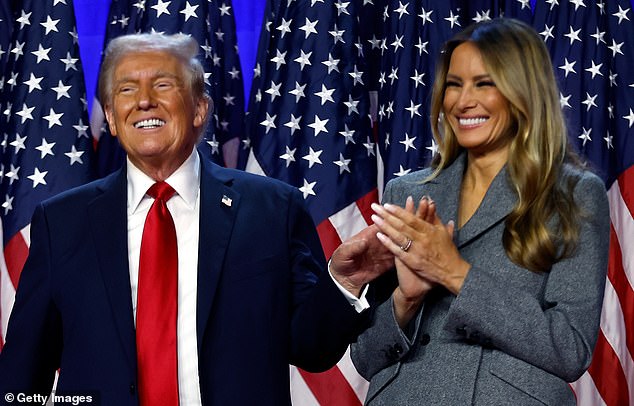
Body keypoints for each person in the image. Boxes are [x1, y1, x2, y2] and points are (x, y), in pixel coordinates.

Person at [0, 33, 391, 406]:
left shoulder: (272, 209)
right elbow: (22, 375)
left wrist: (343, 282)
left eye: (163, 85)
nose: (144, 101)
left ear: (200, 108)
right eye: (126, 89)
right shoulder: (62, 222)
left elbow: (313, 349)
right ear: (112, 119)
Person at [350, 18, 610, 405]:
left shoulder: (574, 194)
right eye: (454, 84)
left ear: (523, 92)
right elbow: (366, 358)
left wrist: (455, 273)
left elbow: (570, 348)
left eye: (484, 83)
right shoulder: (406, 191)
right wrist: (406, 301)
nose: (462, 101)